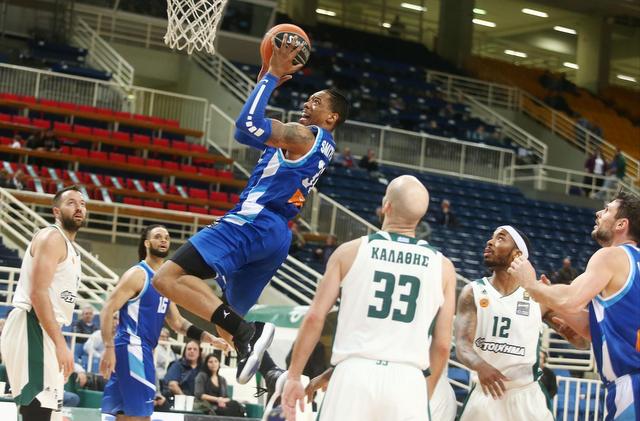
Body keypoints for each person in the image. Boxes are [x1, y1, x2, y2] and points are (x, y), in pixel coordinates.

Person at [152, 34, 349, 387]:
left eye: (316, 102)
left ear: (332, 116)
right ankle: (272, 374)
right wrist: (262, 81)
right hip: (276, 236)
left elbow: (246, 127)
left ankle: (249, 333)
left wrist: (271, 76)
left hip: (253, 221)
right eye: (308, 99)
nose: (307, 104)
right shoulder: (316, 145)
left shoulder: (303, 136)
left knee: (165, 279)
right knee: (225, 318)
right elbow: (253, 130)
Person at [281, 175, 457, 421]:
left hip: (353, 376)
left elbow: (314, 318)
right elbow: (442, 344)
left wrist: (293, 376)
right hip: (408, 382)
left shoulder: (349, 252)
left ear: (386, 206)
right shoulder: (443, 267)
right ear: (420, 217)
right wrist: (424, 393)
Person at [508, 191, 640, 420]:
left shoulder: (610, 256)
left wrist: (530, 284)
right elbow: (594, 328)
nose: (598, 213)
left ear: (621, 224)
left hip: (632, 384)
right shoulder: (631, 263)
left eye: (607, 210)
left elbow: (570, 300)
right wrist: (549, 299)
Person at [455, 226, 589, 421]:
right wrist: (480, 365)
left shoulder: (538, 295)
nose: (490, 242)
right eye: (491, 237)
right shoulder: (473, 291)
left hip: (527, 396)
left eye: (500, 238)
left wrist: (573, 336)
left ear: (517, 254)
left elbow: (584, 343)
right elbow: (462, 344)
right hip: (486, 394)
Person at [100, 225, 229, 420]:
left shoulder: (163, 282)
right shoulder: (138, 274)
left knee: (124, 414)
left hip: (140, 350)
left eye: (167, 237)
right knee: (141, 416)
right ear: (147, 243)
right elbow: (108, 309)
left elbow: (177, 323)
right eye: (158, 236)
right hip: (132, 348)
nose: (163, 240)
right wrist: (108, 347)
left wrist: (210, 338)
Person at [0, 185, 86, 421]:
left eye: (82, 203)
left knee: (49, 413)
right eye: (71, 203)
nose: (79, 207)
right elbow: (38, 294)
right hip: (32, 324)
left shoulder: (71, 249)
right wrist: (60, 344)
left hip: (46, 328)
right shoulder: (52, 238)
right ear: (56, 211)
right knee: (37, 409)